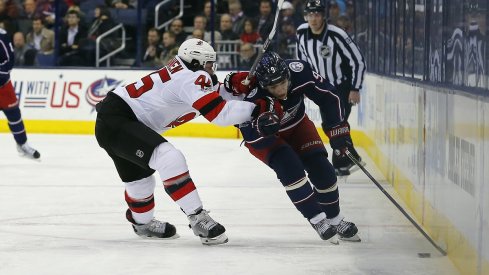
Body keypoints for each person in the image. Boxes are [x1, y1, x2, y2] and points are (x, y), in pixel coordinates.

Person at [94, 38, 280, 245]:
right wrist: (256, 110)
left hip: (114, 120)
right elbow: (219, 114)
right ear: (196, 62)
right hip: (119, 121)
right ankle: (197, 217)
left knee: (141, 182)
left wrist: (232, 83)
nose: (212, 68)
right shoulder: (190, 78)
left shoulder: (185, 74)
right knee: (169, 158)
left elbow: (212, 93)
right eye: (209, 63)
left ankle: (142, 223)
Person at [223, 51, 359, 242]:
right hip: (268, 139)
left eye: (282, 82)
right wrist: (261, 127)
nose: (280, 90)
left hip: (298, 125)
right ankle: (317, 219)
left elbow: (329, 96)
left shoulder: (299, 71)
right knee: (291, 170)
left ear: (287, 74)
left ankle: (335, 219)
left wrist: (338, 130)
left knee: (323, 170)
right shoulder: (252, 97)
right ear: (263, 85)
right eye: (273, 86)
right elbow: (247, 133)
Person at [296, 0, 366, 176]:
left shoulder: (337, 34)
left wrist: (355, 88)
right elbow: (302, 61)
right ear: (305, 16)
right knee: (331, 124)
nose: (313, 18)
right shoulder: (301, 33)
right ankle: (348, 160)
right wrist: (302, 84)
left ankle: (343, 160)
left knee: (335, 123)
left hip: (341, 87)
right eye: (310, 14)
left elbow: (358, 60)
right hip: (321, 88)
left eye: (317, 14)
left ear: (323, 16)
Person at [0, 27, 40, 159]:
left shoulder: (2, 34)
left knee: (14, 115)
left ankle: (22, 144)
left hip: (3, 85)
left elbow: (9, 60)